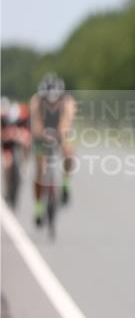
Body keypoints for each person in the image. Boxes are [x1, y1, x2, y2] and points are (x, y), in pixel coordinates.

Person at [29, 74, 76, 225]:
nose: (51, 103)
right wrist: (41, 133)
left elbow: (66, 122)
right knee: (40, 167)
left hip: (60, 131)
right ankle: (38, 207)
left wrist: (60, 133)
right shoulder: (36, 101)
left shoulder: (68, 101)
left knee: (69, 153)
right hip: (42, 133)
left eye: (54, 101)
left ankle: (66, 184)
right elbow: (35, 123)